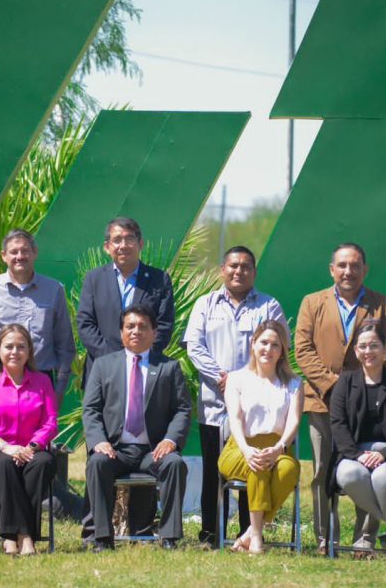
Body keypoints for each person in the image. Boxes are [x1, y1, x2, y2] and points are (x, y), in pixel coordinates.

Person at [294, 242, 386, 552]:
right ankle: (326, 540)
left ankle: (364, 540)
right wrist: (334, 385)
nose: (348, 271)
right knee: (322, 472)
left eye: (355, 265)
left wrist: (359, 387)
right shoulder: (312, 303)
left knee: (365, 470)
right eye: (342, 265)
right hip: (322, 403)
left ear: (365, 269)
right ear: (332, 269)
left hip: (370, 406)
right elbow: (302, 350)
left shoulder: (383, 304)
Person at [76, 217, 176, 540]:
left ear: (140, 243)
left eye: (129, 238)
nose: (123, 245)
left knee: (147, 444)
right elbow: (85, 325)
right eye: (116, 239)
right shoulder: (94, 279)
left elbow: (164, 325)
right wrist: (116, 361)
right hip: (104, 379)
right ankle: (95, 528)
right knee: (101, 455)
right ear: (107, 247)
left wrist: (140, 354)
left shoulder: (158, 280)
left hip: (146, 374)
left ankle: (142, 527)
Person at [183, 245, 287, 546]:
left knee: (251, 467)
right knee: (214, 470)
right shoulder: (205, 304)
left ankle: (248, 533)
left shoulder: (269, 306)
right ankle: (211, 534)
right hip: (215, 403)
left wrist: (246, 385)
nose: (238, 271)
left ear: (254, 273)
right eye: (232, 266)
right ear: (222, 270)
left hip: (255, 407)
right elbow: (195, 347)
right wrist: (223, 379)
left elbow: (277, 348)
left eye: (245, 267)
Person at [82, 305, 192, 552]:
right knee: (97, 463)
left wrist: (171, 440)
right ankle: (102, 538)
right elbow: (90, 409)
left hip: (151, 451)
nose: (136, 331)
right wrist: (99, 440)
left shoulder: (169, 367)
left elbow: (182, 410)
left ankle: (170, 538)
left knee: (175, 464)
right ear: (121, 332)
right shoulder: (103, 365)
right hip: (115, 449)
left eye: (143, 327)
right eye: (130, 326)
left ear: (154, 332)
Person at [328, 322, 386, 561]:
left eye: (374, 345)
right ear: (356, 352)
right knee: (349, 476)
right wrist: (357, 455)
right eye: (363, 347)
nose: (368, 351)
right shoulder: (345, 382)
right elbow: (338, 423)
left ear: (385, 348)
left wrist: (384, 454)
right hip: (352, 455)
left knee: (383, 478)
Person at [0, 324, 58, 555]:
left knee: (43, 463)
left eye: (21, 346)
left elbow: (50, 423)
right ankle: (24, 536)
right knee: (5, 463)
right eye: (9, 346)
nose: (14, 352)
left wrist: (31, 447)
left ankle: (13, 536)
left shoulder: (42, 382)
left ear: (29, 351)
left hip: (32, 450)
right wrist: (6, 447)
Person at [217, 320, 302, 554]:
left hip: (278, 447)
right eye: (263, 342)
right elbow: (234, 418)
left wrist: (279, 447)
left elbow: (294, 421)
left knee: (289, 470)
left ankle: (250, 533)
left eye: (275, 344)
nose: (268, 349)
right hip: (239, 448)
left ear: (283, 350)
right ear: (253, 344)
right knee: (258, 465)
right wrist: (246, 449)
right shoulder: (236, 379)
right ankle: (256, 541)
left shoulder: (294, 383)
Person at [0, 228, 75, 400]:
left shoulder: (54, 290)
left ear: (35, 253)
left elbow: (64, 342)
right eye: (14, 252)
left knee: (41, 428)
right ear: (4, 255)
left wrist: (59, 389)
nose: (20, 256)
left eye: (25, 251)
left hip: (41, 383)